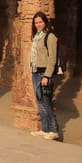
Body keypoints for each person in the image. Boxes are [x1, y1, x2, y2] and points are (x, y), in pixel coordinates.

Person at [29, 11, 59, 140]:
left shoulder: (50, 37)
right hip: (36, 71)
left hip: (44, 72)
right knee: (40, 101)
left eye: (40, 22)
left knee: (46, 102)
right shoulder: (36, 36)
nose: (38, 24)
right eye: (36, 22)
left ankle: (53, 130)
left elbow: (52, 58)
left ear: (45, 22)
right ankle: (45, 129)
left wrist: (47, 76)